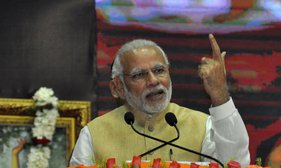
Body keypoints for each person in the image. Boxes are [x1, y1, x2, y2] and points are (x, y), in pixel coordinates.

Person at [69, 34, 250, 166]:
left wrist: (219, 95)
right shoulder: (94, 134)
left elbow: (235, 164)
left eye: (159, 70)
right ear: (117, 88)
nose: (153, 81)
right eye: (139, 74)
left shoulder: (201, 125)